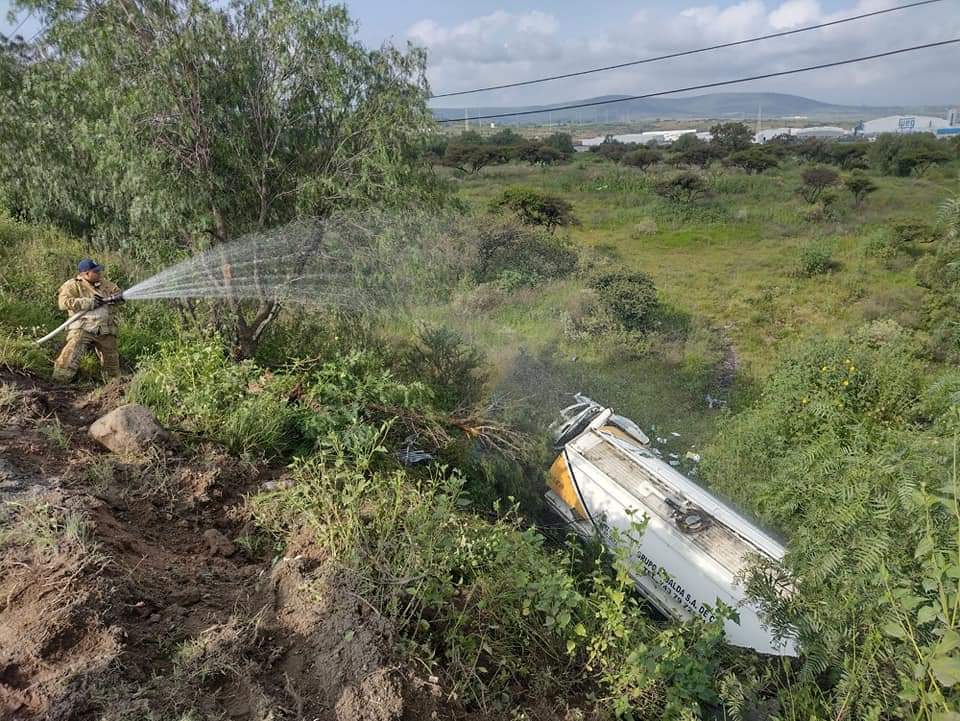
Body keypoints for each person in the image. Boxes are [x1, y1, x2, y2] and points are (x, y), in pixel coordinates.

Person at [52, 259, 124, 383]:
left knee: (112, 363)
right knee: (71, 354)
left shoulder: (107, 284)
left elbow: (119, 295)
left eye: (99, 270)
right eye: (95, 271)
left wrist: (118, 298)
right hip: (82, 327)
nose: (99, 273)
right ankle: (59, 383)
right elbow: (63, 303)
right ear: (85, 273)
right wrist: (87, 302)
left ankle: (113, 389)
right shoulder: (73, 285)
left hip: (106, 329)